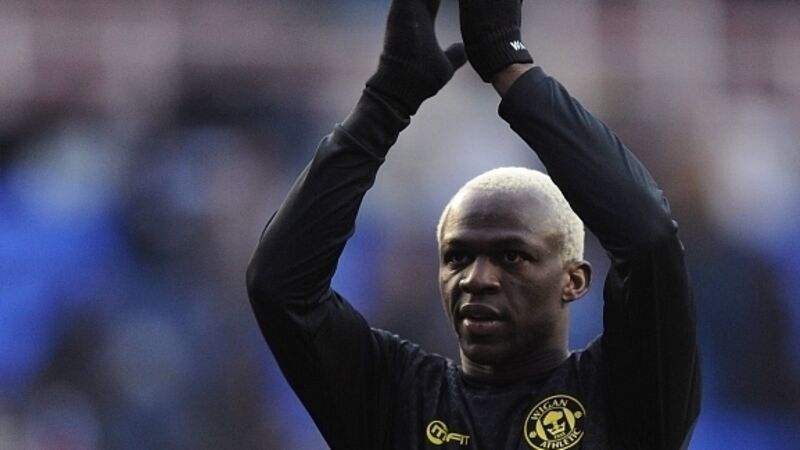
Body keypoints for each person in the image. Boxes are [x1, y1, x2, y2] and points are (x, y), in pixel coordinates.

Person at [246, 0, 700, 448]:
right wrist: (384, 102)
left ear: (574, 280)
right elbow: (281, 288)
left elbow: (650, 240)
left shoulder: (627, 396)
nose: (477, 278)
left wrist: (512, 70)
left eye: (512, 256)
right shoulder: (396, 398)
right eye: (457, 257)